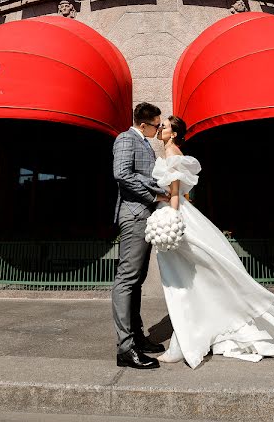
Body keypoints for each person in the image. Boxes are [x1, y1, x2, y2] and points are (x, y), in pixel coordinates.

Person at [151, 115, 274, 368]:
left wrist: (164, 210)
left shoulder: (171, 152)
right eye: (160, 126)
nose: (161, 130)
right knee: (193, 279)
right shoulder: (174, 151)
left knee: (182, 281)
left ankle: (184, 341)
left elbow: (175, 195)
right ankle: (186, 336)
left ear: (175, 133)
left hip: (176, 217)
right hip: (181, 216)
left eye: (165, 127)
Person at [111, 102, 170, 370]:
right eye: (156, 126)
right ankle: (126, 348)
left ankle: (137, 337)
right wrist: (154, 194)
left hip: (144, 217)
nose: (158, 130)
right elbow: (121, 174)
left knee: (137, 280)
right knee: (127, 279)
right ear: (143, 124)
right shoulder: (126, 138)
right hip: (134, 215)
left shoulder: (144, 142)